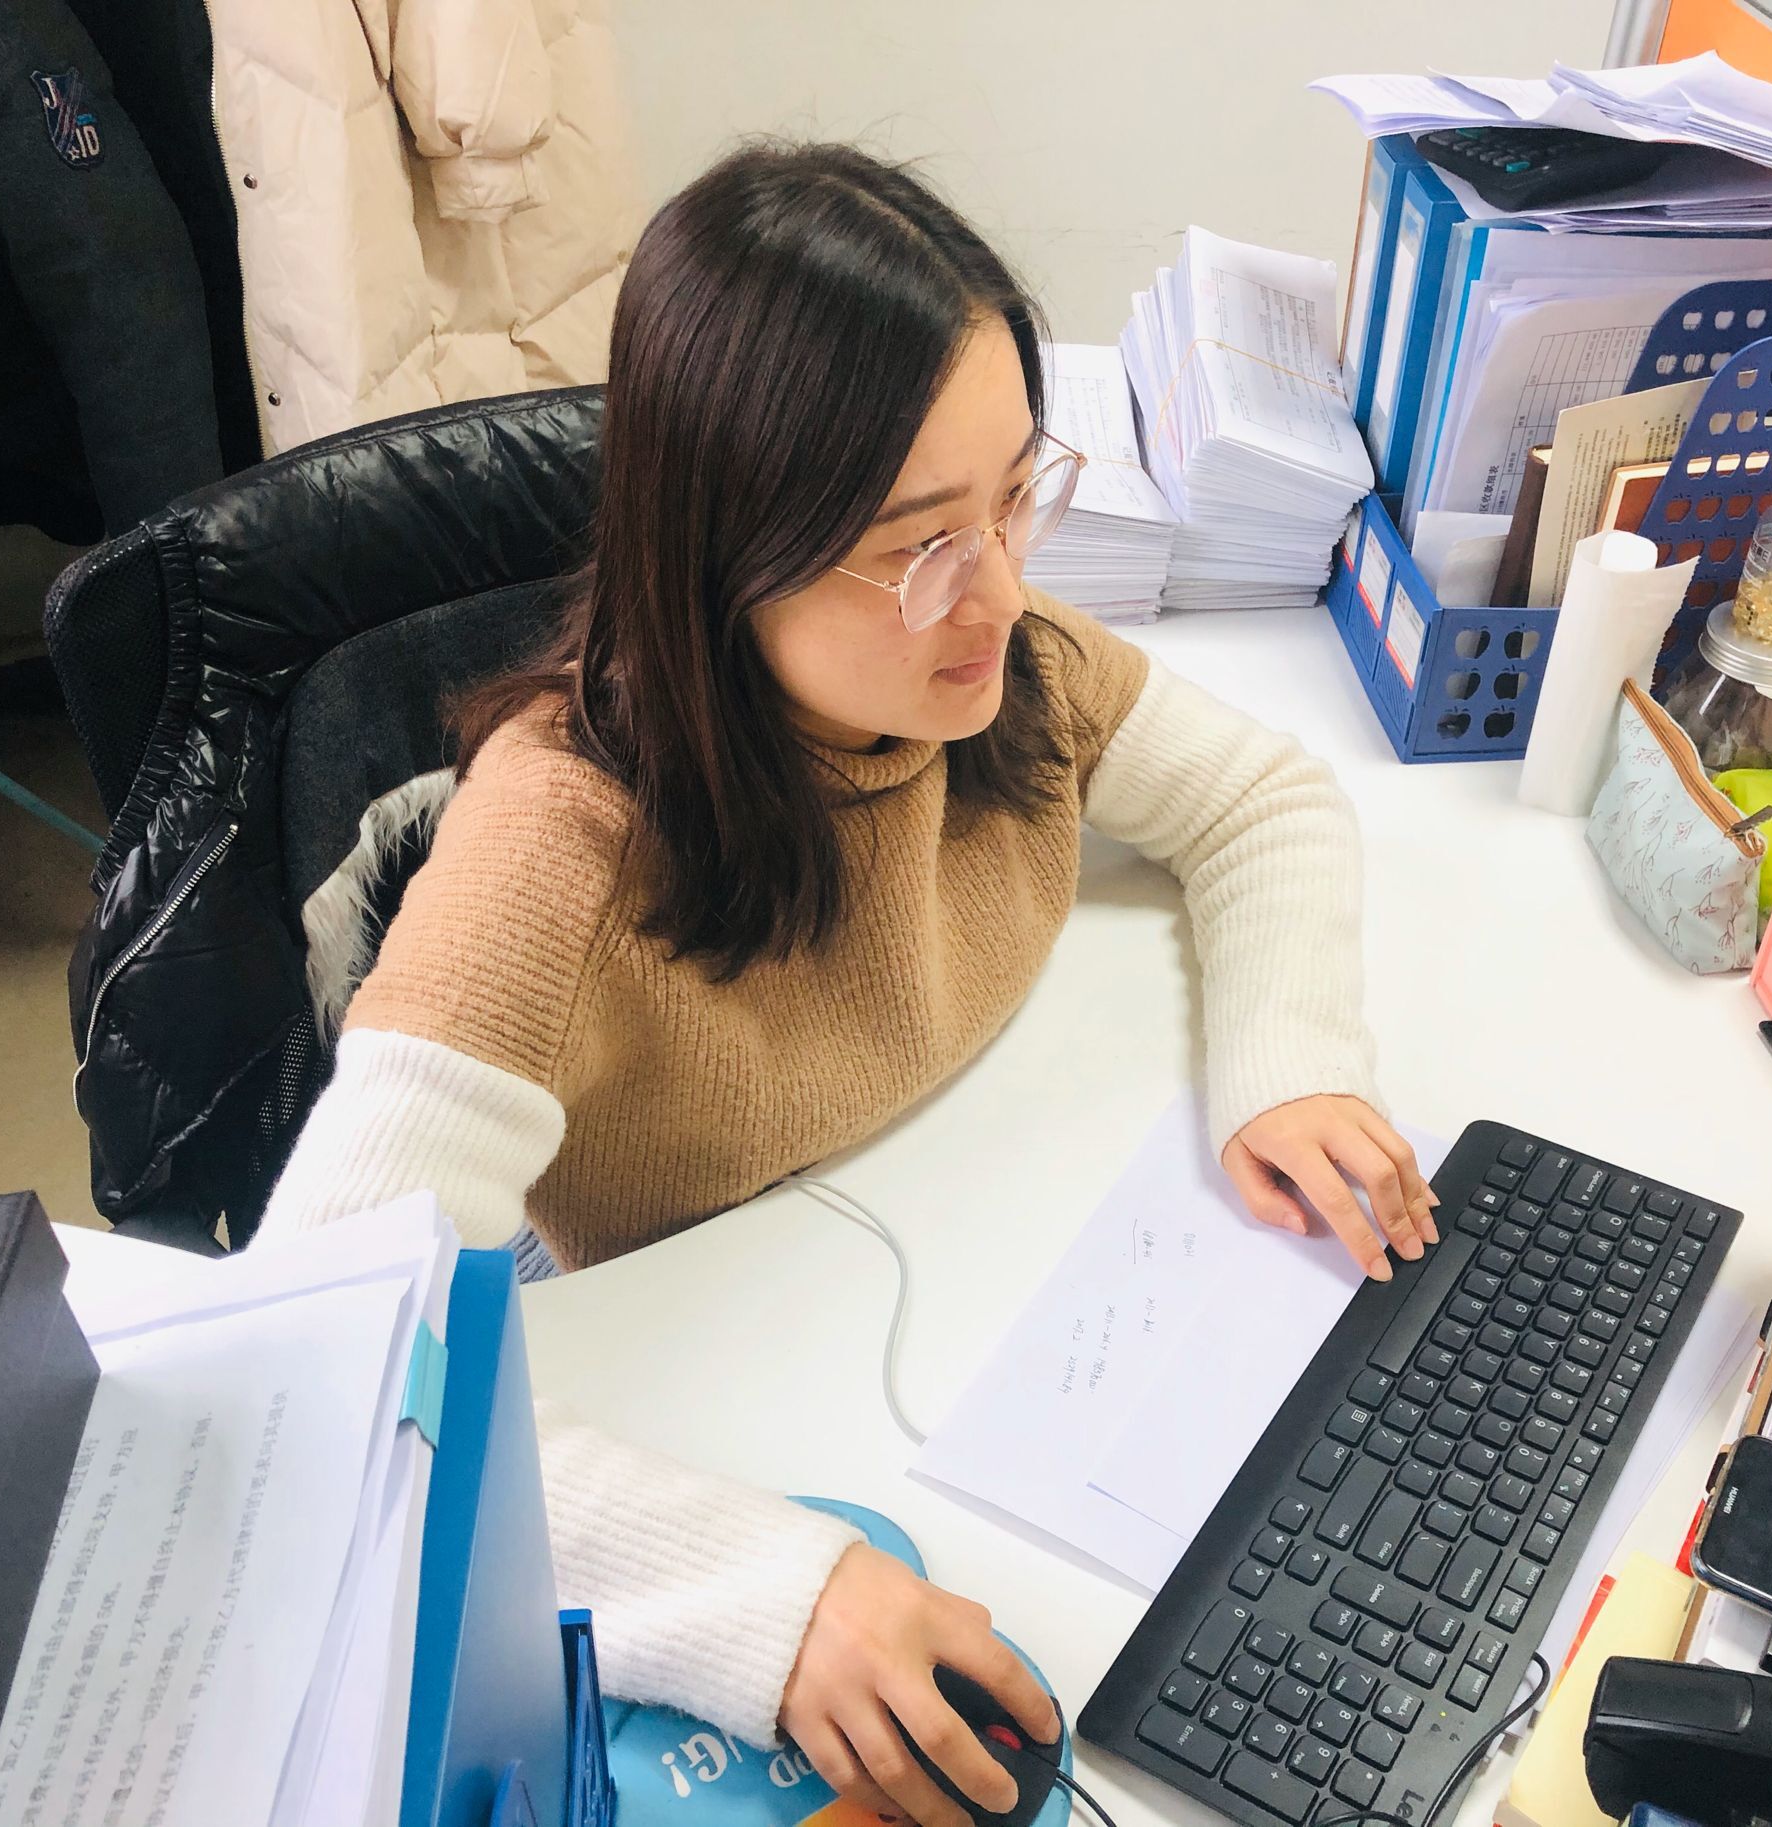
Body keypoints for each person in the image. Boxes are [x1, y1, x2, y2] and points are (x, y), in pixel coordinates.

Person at [256, 141, 1437, 1827]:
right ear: (728, 552)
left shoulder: (1007, 663)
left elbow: (1263, 798)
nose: (1001, 591)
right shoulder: (557, 844)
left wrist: (1291, 1057)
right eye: (918, 544)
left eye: (1015, 497)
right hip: (718, 1374)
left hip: (977, 1282)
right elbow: (332, 1361)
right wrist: (759, 1596)